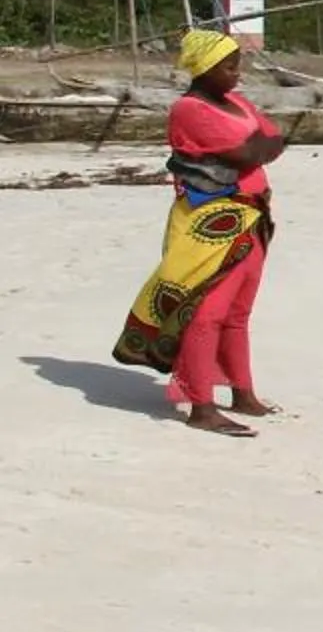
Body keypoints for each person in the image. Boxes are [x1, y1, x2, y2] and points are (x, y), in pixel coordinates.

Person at [112, 27, 286, 437]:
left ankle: (242, 391)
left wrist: (255, 148)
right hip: (209, 225)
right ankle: (201, 406)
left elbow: (275, 140)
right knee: (205, 312)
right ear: (205, 69)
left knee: (238, 312)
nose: (236, 74)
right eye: (228, 67)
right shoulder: (189, 110)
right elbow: (251, 151)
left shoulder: (235, 103)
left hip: (252, 217)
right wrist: (255, 148)